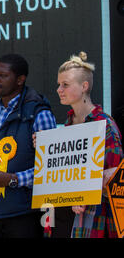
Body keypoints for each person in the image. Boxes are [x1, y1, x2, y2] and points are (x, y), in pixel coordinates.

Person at [0, 53, 57, 238]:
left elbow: (51, 170)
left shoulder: (39, 114)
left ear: (20, 79)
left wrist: (13, 179)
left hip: (24, 214)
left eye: (3, 76)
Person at [53, 52, 123, 238]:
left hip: (100, 218)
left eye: (65, 85)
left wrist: (84, 192)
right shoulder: (68, 123)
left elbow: (117, 178)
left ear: (84, 86)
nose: (59, 89)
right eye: (59, 84)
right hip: (69, 218)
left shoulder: (104, 124)